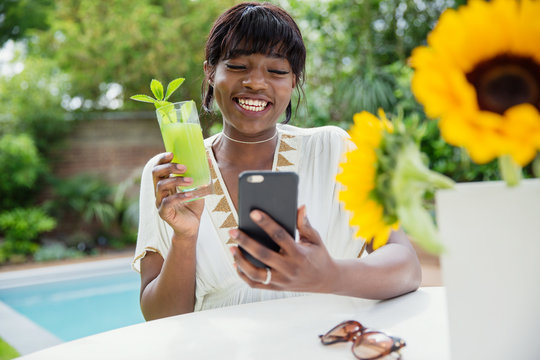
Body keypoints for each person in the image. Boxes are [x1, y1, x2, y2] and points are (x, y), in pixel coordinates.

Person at [133, 2, 421, 320]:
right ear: (210, 72)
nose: (256, 82)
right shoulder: (170, 176)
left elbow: (406, 266)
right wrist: (184, 237)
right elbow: (160, 320)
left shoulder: (334, 151)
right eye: (239, 66)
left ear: (293, 80)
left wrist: (329, 274)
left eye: (277, 71)